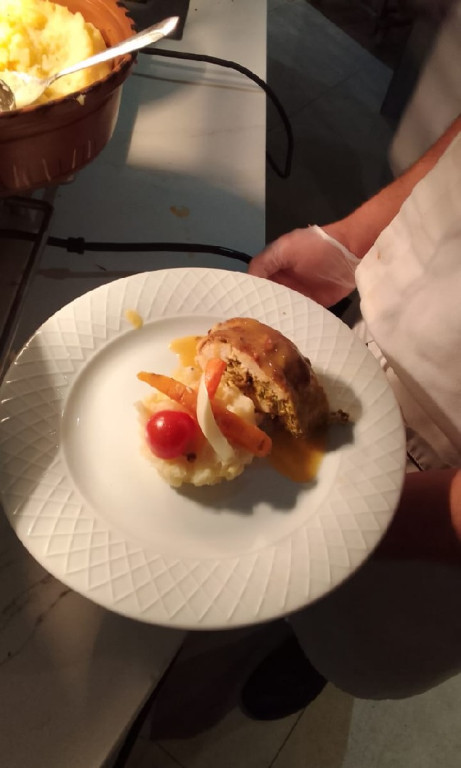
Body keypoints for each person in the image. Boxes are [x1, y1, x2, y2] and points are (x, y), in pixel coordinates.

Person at [239, 111, 461, 720]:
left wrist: (367, 520)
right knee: (260, 548)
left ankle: (313, 656)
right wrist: (355, 240)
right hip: (376, 346)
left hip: (441, 496)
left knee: (359, 633)